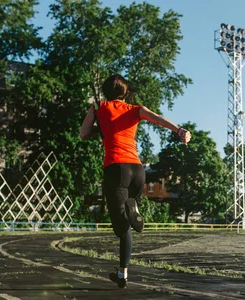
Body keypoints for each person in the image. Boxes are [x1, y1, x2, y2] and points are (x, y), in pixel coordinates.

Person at [80, 74, 191, 288]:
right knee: (127, 225)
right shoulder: (135, 109)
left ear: (105, 92)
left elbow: (84, 134)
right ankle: (123, 274)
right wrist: (179, 130)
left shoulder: (98, 107)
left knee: (120, 227)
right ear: (125, 93)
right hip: (138, 170)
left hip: (116, 169)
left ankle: (128, 216)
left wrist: (102, 129)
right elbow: (157, 118)